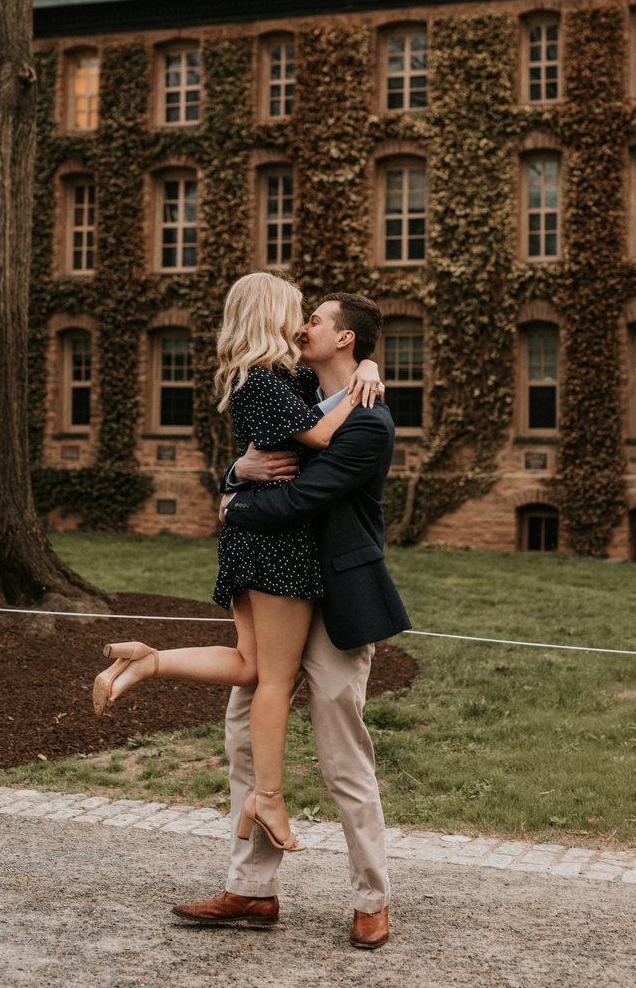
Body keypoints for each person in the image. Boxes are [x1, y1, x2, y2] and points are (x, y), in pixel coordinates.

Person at [92, 273, 383, 853]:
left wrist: (369, 366)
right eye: (296, 312)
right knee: (272, 678)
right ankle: (268, 799)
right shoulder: (262, 383)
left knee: (251, 667)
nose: (301, 324)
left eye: (312, 318)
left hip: (257, 543)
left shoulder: (283, 377)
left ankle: (150, 661)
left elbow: (330, 379)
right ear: (271, 315)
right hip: (275, 547)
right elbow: (322, 434)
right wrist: (360, 388)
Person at [171, 292, 411, 950]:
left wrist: (232, 505)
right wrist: (235, 470)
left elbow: (299, 498)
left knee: (343, 756)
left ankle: (372, 899)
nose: (302, 327)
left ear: (345, 340)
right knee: (245, 742)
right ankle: (251, 888)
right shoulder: (297, 390)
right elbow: (263, 446)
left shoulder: (369, 422)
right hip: (279, 591)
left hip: (335, 602)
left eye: (316, 320)